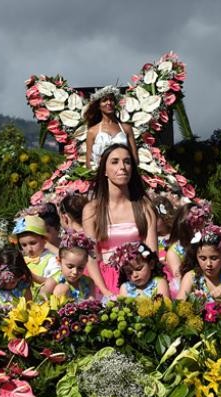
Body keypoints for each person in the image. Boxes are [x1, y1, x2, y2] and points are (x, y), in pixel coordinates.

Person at [82, 144, 158, 296]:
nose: (122, 167)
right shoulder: (92, 210)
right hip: (103, 281)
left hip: (140, 277)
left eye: (127, 162)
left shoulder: (144, 207)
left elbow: (152, 254)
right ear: (104, 170)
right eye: (115, 162)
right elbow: (92, 257)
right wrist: (105, 291)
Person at [177, 224, 221, 301]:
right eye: (203, 258)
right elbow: (178, 305)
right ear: (195, 256)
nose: (209, 264)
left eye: (214, 258)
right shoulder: (191, 277)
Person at [84, 86, 138, 169]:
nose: (109, 102)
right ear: (99, 106)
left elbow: (135, 159)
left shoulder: (126, 129)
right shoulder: (92, 131)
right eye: (104, 100)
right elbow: (89, 162)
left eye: (111, 100)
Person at [40, 230, 95, 301]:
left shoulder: (88, 282)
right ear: (59, 261)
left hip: (82, 308)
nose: (75, 272)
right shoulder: (53, 281)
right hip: (56, 307)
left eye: (80, 268)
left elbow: (92, 300)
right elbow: (41, 297)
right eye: (70, 267)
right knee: (62, 288)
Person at [14, 215, 60, 297]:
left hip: (42, 299)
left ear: (44, 240)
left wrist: (34, 277)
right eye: (24, 245)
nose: (29, 249)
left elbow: (55, 281)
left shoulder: (51, 259)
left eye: (33, 243)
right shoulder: (22, 259)